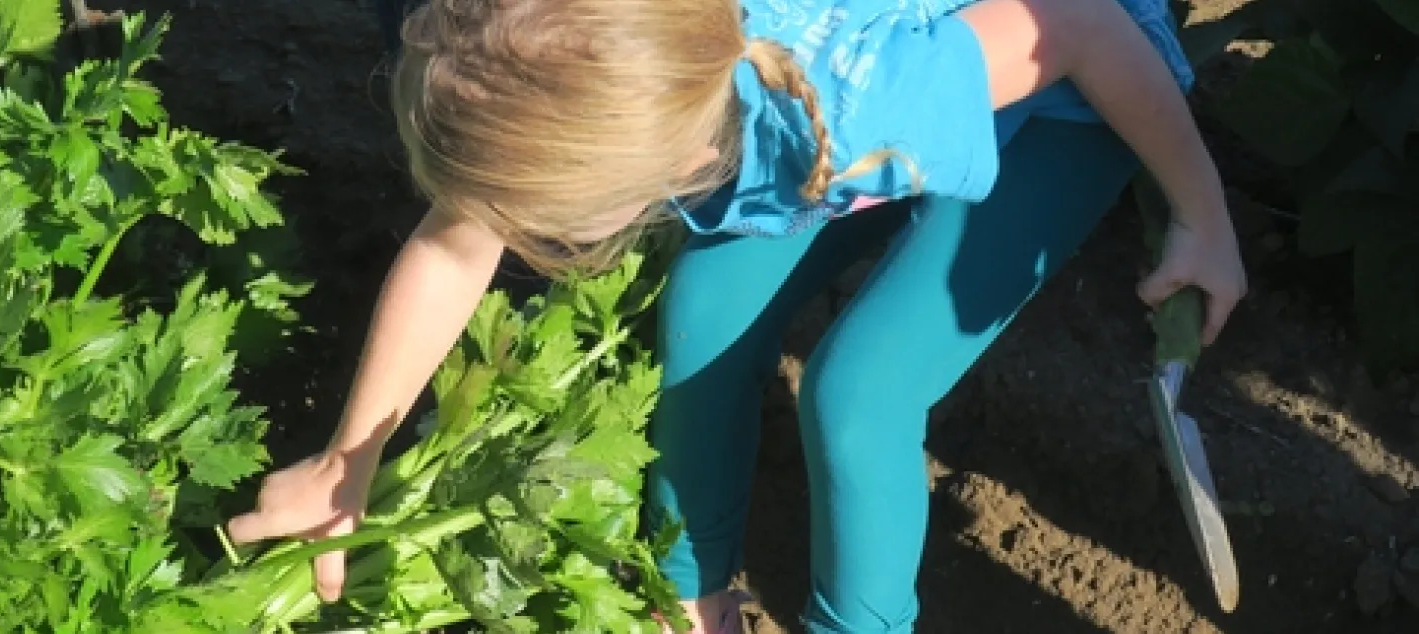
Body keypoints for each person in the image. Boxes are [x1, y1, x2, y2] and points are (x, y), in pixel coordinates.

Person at [227, 0, 1249, 631]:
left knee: (857, 396)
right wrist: (344, 460)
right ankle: (690, 593)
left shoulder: (856, 101)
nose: (520, 242)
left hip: (1072, 95)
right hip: (877, 88)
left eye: (543, 224)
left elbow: (1076, 26)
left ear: (653, 172)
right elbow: (457, 241)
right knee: (704, 316)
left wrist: (1202, 217)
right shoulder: (606, 62)